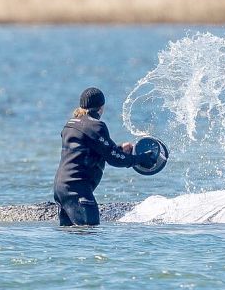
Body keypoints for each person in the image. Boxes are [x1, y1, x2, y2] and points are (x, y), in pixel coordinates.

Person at [54, 87, 153, 226]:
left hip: (60, 188)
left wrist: (118, 149)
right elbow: (115, 159)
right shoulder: (96, 126)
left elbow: (88, 151)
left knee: (70, 240)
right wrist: (141, 159)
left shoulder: (70, 125)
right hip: (77, 190)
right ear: (101, 107)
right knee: (90, 234)